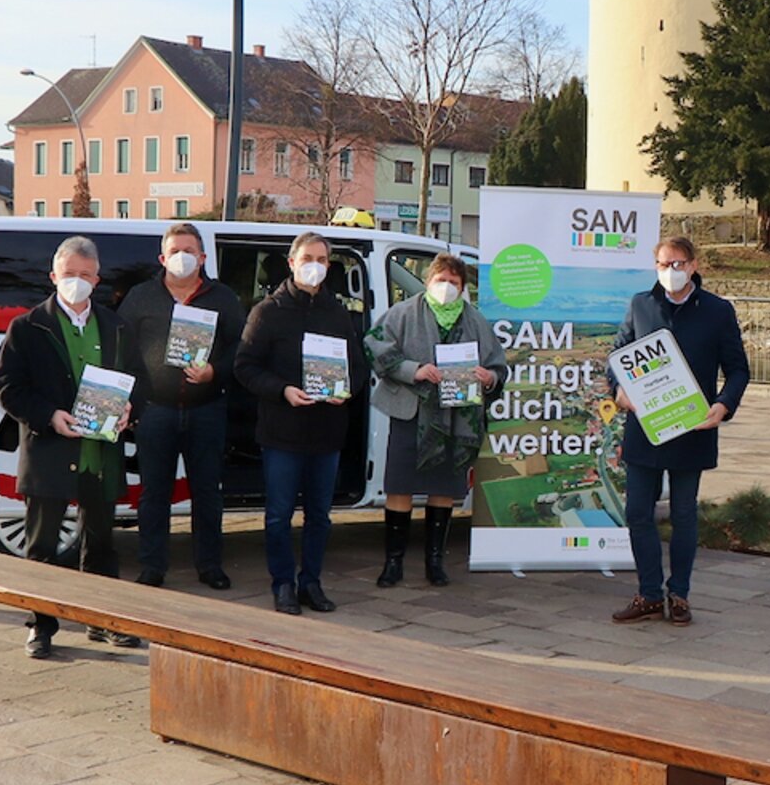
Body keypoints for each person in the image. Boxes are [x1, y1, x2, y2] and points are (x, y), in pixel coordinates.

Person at [0, 236, 135, 658]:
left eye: (85, 275)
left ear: (98, 279)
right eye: (69, 274)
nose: (77, 281)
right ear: (53, 276)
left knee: (101, 544)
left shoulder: (116, 326)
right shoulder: (28, 327)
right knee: (41, 546)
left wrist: (131, 411)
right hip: (49, 452)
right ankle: (40, 626)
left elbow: (138, 380)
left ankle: (102, 620)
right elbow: (6, 387)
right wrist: (48, 415)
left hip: (99, 454)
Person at [606, 236, 748, 627]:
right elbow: (617, 357)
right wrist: (618, 389)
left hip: (693, 429)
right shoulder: (641, 305)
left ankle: (679, 595)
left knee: (684, 515)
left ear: (694, 265)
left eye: (679, 263)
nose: (671, 271)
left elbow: (738, 368)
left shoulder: (717, 311)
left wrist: (724, 405)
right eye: (664, 264)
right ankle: (650, 594)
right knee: (638, 513)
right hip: (646, 430)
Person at [235, 231, 368, 615]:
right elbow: (245, 367)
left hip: (327, 431)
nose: (315, 266)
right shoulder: (268, 312)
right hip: (282, 432)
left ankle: (311, 582)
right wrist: (283, 390)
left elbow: (358, 366)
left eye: (322, 260)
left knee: (320, 517)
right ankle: (283, 584)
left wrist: (348, 389)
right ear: (292, 262)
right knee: (279, 515)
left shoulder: (337, 312)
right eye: (307, 258)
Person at [365, 253, 509, 587]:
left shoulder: (476, 321)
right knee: (399, 486)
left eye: (453, 282)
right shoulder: (403, 313)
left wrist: (488, 378)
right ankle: (393, 563)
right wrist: (412, 370)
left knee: (443, 490)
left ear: (463, 287)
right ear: (428, 281)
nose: (446, 287)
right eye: (440, 280)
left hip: (455, 418)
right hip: (411, 413)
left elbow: (498, 366)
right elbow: (374, 346)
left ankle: (435, 562)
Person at [119, 223, 246, 591]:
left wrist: (215, 371)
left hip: (207, 408)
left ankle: (209, 565)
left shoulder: (223, 298)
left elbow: (241, 346)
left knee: (207, 492)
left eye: (189, 251)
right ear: (162, 258)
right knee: (153, 493)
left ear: (202, 257)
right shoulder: (141, 297)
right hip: (154, 411)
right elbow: (121, 347)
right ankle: (152, 566)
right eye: (175, 251)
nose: (182, 257)